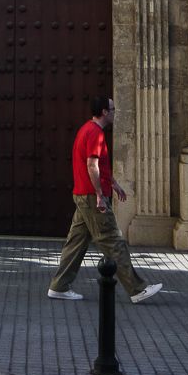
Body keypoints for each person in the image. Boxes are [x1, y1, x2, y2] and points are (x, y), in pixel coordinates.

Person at [48, 97, 163, 304]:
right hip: (92, 197)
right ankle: (137, 289)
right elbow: (93, 166)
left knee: (76, 243)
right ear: (103, 112)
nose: (114, 112)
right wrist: (101, 194)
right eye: (112, 109)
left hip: (83, 195)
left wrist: (113, 184)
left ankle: (59, 286)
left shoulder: (86, 130)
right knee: (113, 241)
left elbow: (99, 166)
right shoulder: (96, 133)